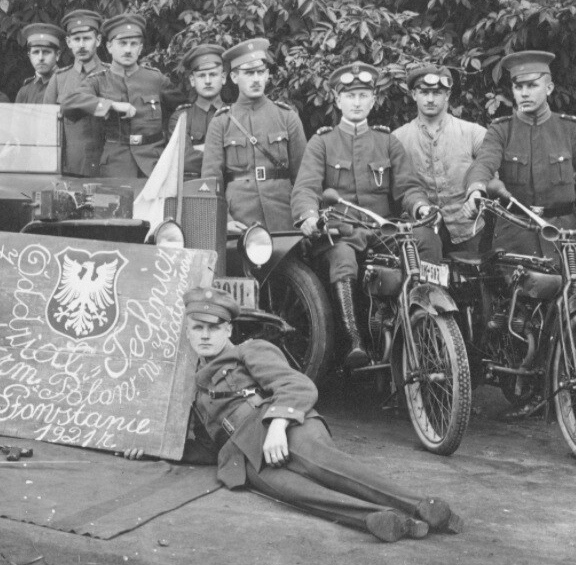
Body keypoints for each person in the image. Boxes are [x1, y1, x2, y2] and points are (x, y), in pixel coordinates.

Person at [126, 287, 463, 543]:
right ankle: (387, 520)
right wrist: (154, 449)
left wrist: (277, 426)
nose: (204, 335)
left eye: (212, 328)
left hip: (285, 426)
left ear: (228, 330)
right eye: (197, 327)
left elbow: (296, 385)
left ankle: (423, 506)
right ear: (187, 332)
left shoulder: (249, 351)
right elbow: (208, 448)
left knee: (327, 467)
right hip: (245, 456)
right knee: (300, 494)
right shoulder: (196, 389)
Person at [290, 62, 433, 369]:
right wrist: (308, 215)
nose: (357, 102)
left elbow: (407, 187)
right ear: (337, 100)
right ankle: (354, 340)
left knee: (424, 239)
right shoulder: (322, 142)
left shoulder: (386, 141)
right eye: (350, 96)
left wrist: (420, 206)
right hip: (341, 233)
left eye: (363, 95)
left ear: (373, 100)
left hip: (381, 231)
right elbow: (306, 188)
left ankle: (425, 327)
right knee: (343, 258)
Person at [462, 50, 576, 257]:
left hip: (563, 240)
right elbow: (483, 164)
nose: (524, 93)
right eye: (518, 87)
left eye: (532, 86)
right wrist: (475, 190)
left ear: (549, 88)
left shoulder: (569, 129)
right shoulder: (501, 130)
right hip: (515, 239)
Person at [201, 38, 307, 232]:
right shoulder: (221, 122)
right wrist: (224, 220)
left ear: (267, 75)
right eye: (249, 73)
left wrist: (303, 216)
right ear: (234, 77)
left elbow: (304, 177)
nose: (256, 79)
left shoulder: (286, 117)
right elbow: (210, 181)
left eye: (260, 72)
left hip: (284, 216)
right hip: (240, 221)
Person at [61, 13, 178, 178]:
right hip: (116, 166)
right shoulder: (99, 81)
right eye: (122, 43)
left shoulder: (156, 79)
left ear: (140, 48)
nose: (128, 50)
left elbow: (182, 109)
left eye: (133, 44)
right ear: (109, 47)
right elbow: (69, 104)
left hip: (154, 164)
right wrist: (111, 105)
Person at [392, 64, 487, 255]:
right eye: (424, 92)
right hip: (420, 233)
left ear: (447, 95)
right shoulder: (398, 139)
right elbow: (397, 188)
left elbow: (490, 168)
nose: (430, 99)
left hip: (469, 230)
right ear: (414, 94)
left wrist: (476, 195)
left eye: (437, 93)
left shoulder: (472, 133)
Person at [43, 9, 108, 177]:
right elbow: (47, 128)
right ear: (68, 42)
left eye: (87, 39)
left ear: (98, 40)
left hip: (107, 166)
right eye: (76, 39)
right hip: (71, 168)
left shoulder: (111, 75)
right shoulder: (59, 79)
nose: (81, 45)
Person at [167, 44, 227, 179]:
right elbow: (183, 160)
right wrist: (223, 151)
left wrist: (198, 149)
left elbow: (244, 159)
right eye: (201, 76)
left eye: (213, 74)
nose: (207, 81)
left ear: (223, 78)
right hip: (191, 188)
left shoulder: (235, 114)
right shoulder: (181, 117)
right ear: (192, 80)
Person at [15, 23, 65, 105]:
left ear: (57, 55)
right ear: (29, 56)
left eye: (46, 52)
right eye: (36, 52)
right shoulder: (24, 92)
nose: (40, 58)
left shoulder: (68, 86)